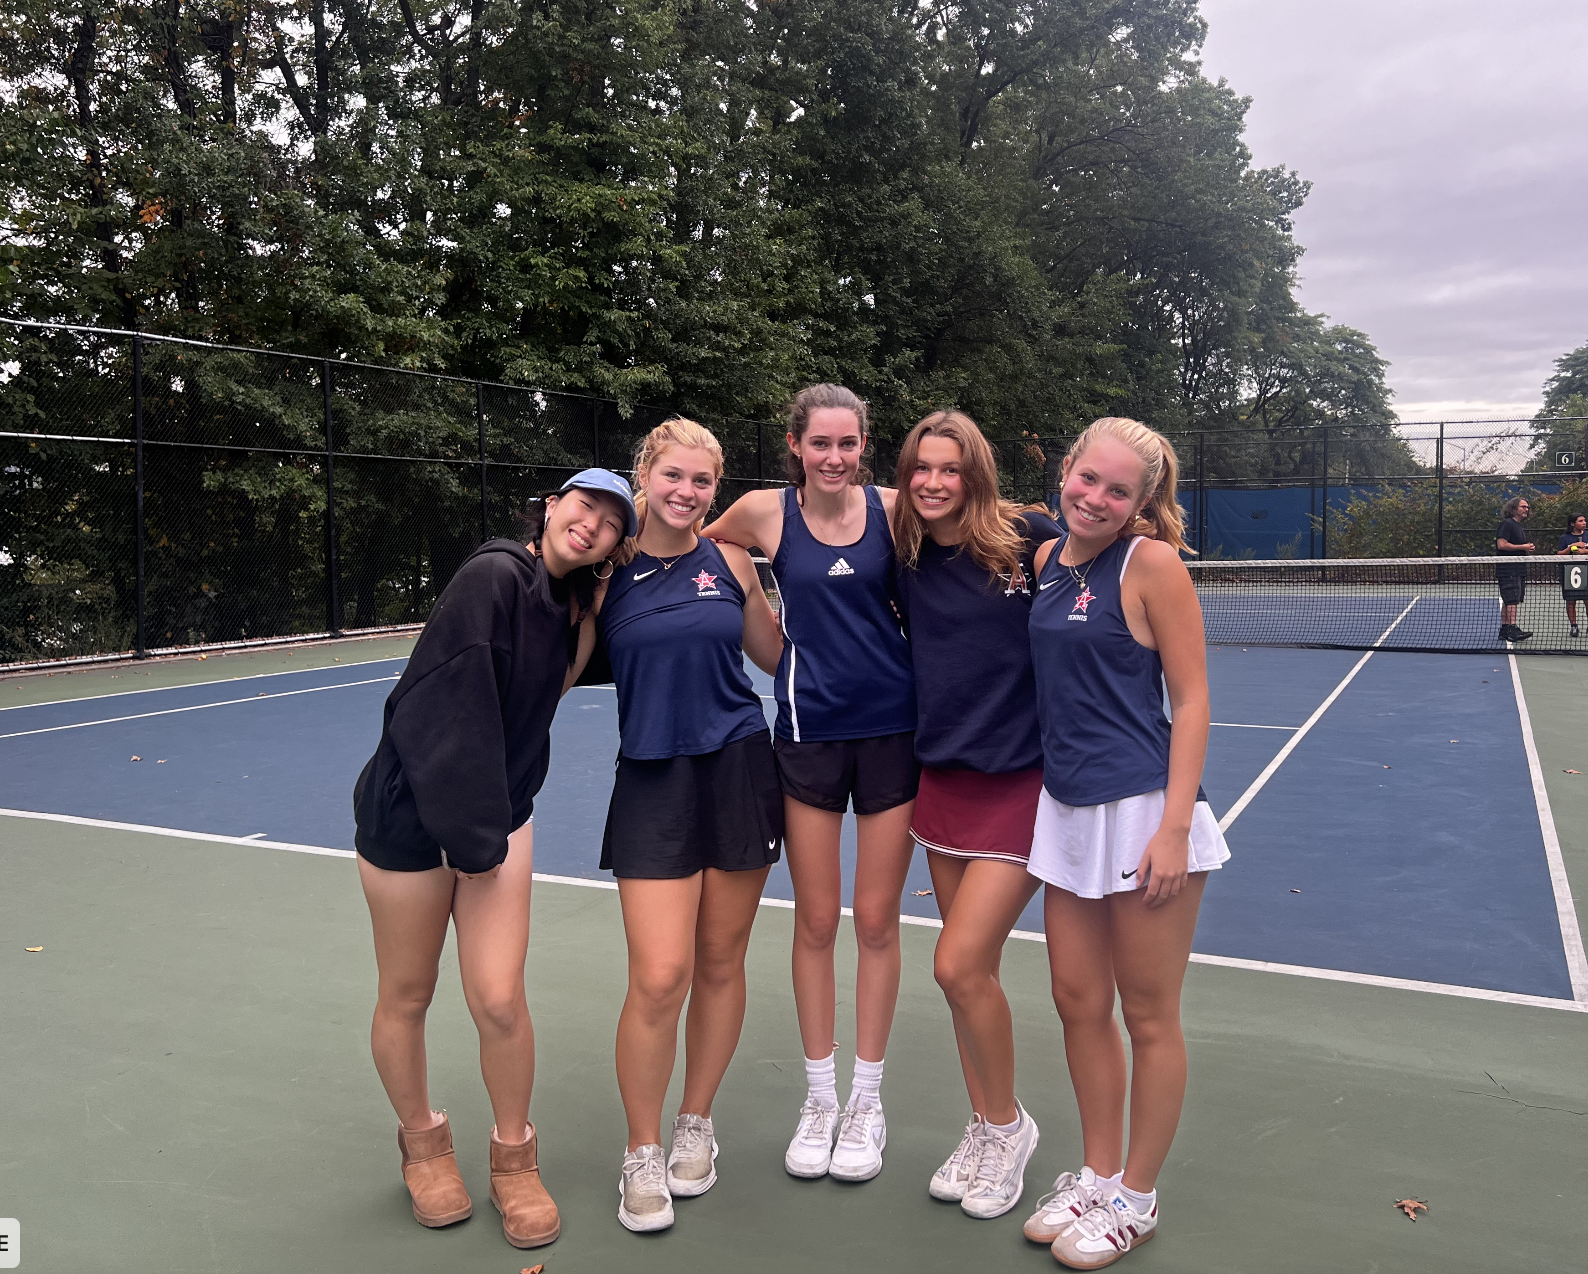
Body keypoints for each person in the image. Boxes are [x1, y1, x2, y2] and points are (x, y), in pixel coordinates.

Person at [351, 469, 637, 1250]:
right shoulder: (493, 576)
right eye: (584, 506)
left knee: (500, 1000)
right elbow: (446, 716)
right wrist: (471, 838)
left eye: (612, 523)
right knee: (407, 994)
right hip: (413, 820)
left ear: (616, 546)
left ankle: (515, 1160)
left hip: (496, 819)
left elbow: (582, 671)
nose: (592, 524)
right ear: (552, 508)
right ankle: (423, 1144)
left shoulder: (573, 606)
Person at [1020, 418, 1229, 1270]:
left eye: (1117, 491)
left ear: (1142, 503)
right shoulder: (1042, 562)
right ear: (1065, 471)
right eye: (1087, 479)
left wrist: (1174, 827)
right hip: (1065, 812)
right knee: (1078, 1001)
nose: (1096, 499)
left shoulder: (1152, 566)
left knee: (1147, 1015)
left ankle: (1135, 1199)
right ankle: (1097, 1172)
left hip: (1145, 814)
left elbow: (1194, 699)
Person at [702, 383, 917, 1184]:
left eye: (848, 444)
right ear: (795, 444)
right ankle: (820, 1099)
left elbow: (989, 523)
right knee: (818, 919)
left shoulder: (898, 508)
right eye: (819, 443)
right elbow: (696, 536)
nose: (834, 457)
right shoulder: (763, 512)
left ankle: (868, 1100)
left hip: (895, 732)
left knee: (877, 922)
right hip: (807, 733)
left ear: (865, 446)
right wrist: (762, 621)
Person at [597, 418, 785, 1233]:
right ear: (645, 474)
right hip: (651, 780)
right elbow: (552, 664)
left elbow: (783, 660)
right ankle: (640, 1153)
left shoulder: (731, 561)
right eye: (673, 475)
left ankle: (695, 1123)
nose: (687, 492)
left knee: (719, 960)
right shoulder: (606, 574)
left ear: (716, 488)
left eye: (702, 481)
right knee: (659, 975)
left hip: (740, 768)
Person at [890, 411, 1060, 1219]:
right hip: (945, 781)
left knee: (956, 964)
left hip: (1025, 783)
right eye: (921, 467)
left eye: (950, 469)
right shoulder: (906, 551)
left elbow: (1112, 569)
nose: (933, 481)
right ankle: (988, 1124)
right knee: (972, 980)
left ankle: (1008, 1125)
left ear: (976, 473)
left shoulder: (1031, 537)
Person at [1496, 496, 1535, 643]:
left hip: (1518, 569)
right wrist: (1523, 547)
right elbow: (1502, 544)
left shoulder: (1518, 526)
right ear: (1513, 509)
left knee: (1511, 600)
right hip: (1508, 569)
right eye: (1523, 507)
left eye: (1527, 507)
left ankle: (1505, 630)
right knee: (1511, 600)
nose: (1526, 509)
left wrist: (1526, 548)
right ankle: (1512, 629)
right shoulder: (1507, 524)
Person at [1555, 512, 1587, 637]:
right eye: (1580, 521)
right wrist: (1571, 547)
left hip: (1586, 571)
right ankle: (1574, 626)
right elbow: (1559, 555)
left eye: (1584, 520)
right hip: (1569, 572)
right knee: (1570, 600)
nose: (1584, 523)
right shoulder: (1564, 538)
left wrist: (1584, 551)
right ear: (1572, 524)